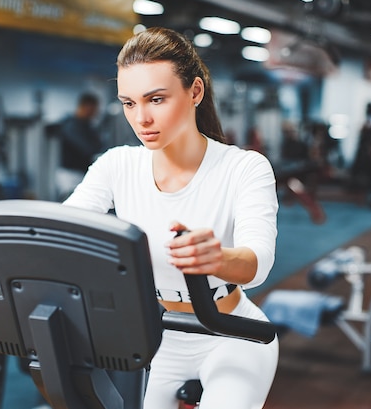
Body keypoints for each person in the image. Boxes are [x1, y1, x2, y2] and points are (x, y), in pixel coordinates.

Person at [63, 27, 279, 409]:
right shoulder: (117, 164)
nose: (141, 118)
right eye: (128, 103)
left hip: (232, 336)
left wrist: (219, 258)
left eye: (156, 99)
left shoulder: (244, 167)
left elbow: (257, 262)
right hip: (158, 337)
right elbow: (65, 230)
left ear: (195, 92)